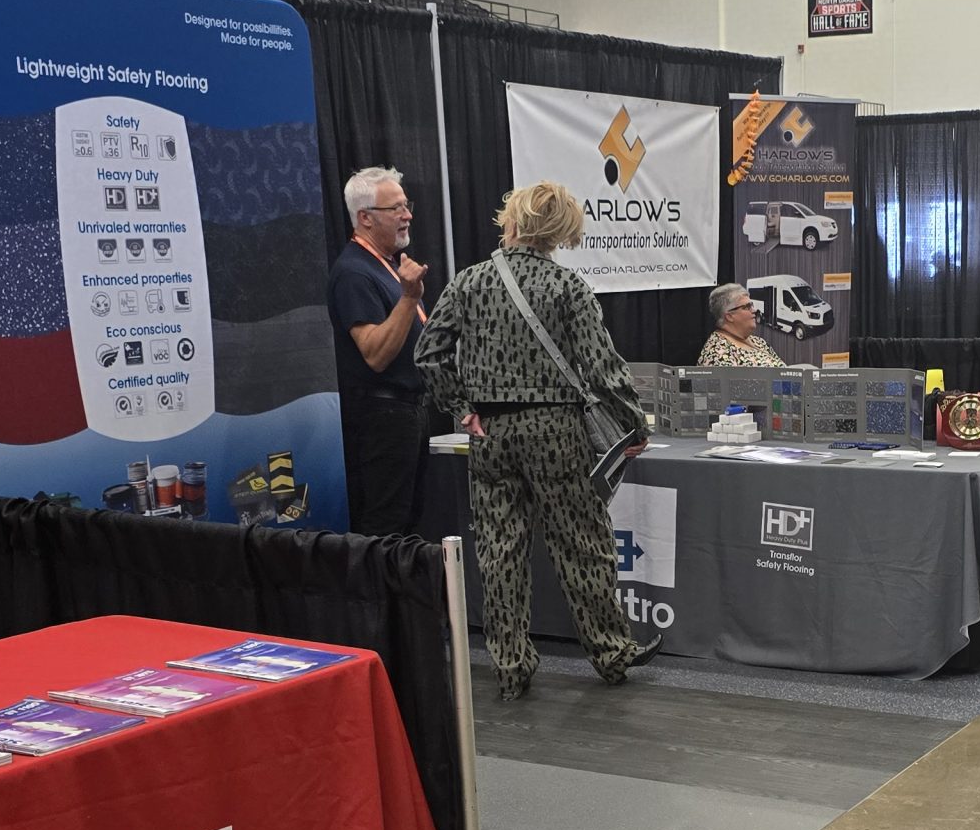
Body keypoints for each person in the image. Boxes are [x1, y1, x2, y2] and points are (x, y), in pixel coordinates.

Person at [417, 181, 658, 701]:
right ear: (561, 231)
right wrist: (633, 425)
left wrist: (462, 408)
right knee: (581, 543)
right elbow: (603, 369)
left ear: (513, 221)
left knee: (500, 548)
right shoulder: (568, 286)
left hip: (491, 433)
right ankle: (611, 654)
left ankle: (510, 666)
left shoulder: (468, 282)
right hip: (556, 431)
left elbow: (429, 354)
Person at [327, 165, 430, 534]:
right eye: (396, 208)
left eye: (406, 205)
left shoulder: (383, 265)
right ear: (365, 218)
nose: (408, 215)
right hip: (381, 418)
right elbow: (375, 354)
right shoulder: (354, 273)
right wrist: (409, 298)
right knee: (386, 525)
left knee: (409, 521)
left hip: (406, 412)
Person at [697, 282, 778, 368]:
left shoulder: (758, 341)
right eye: (747, 307)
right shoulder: (718, 353)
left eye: (752, 305)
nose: (754, 310)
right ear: (729, 316)